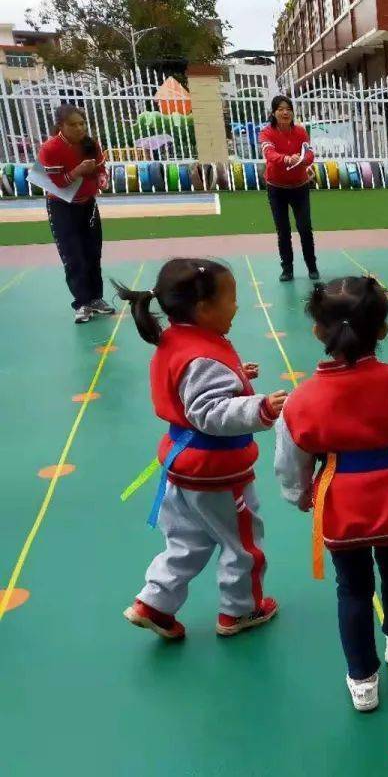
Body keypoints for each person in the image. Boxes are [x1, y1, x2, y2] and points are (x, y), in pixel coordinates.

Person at [274, 276, 388, 712]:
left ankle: (362, 680)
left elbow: (290, 460)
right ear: (383, 330)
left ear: (318, 331)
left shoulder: (301, 400)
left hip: (339, 501)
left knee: (352, 588)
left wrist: (300, 494)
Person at [114, 259, 285, 641]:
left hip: (180, 466)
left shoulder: (176, 339)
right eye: (231, 300)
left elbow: (192, 388)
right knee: (242, 543)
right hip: (217, 474)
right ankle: (240, 611)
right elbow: (209, 411)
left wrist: (240, 377)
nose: (237, 307)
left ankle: (154, 603)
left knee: (186, 540)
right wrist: (259, 407)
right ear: (204, 309)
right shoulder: (203, 358)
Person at [39, 104, 114, 324]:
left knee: (93, 253)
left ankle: (96, 299)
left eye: (82, 124)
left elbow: (101, 170)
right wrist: (78, 171)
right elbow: (58, 183)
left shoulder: (91, 144)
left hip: (87, 205)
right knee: (73, 257)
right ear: (61, 126)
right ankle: (82, 303)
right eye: (73, 125)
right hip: (62, 207)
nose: (80, 129)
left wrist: (102, 179)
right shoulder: (50, 149)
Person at [259, 95, 319, 282]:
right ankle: (287, 269)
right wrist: (286, 158)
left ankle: (312, 267)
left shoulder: (301, 132)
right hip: (276, 189)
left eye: (288, 109)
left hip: (299, 188)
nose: (285, 112)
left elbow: (309, 153)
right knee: (283, 230)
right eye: (280, 109)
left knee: (305, 228)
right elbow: (268, 153)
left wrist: (303, 159)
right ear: (274, 113)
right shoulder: (266, 133)